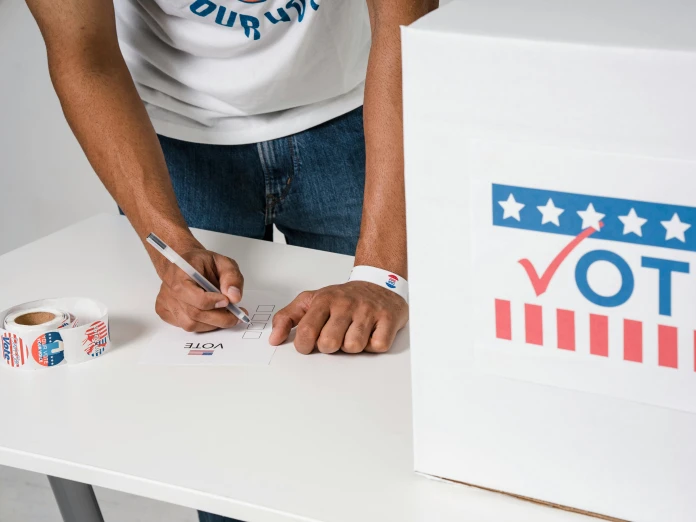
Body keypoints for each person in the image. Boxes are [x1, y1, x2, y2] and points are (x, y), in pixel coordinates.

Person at [26, 0, 436, 520]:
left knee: (384, 385)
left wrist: (382, 276)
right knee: (221, 426)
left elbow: (408, 32)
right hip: (174, 136)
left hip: (356, 111)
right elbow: (84, 57)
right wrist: (170, 246)